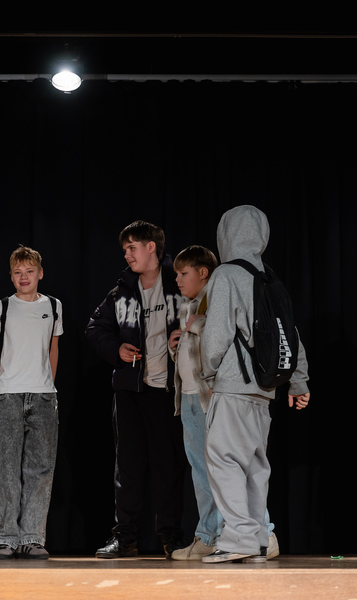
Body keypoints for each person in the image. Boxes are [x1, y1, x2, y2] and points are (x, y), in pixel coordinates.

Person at [199, 205, 310, 564]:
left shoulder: (227, 274)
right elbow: (290, 335)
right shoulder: (270, 278)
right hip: (264, 389)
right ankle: (258, 539)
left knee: (223, 460)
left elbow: (216, 335)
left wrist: (208, 374)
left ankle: (239, 539)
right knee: (255, 466)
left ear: (226, 234)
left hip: (234, 385)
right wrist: (298, 382)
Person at [168, 245, 280, 561]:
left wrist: (197, 326)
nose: (177, 279)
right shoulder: (188, 306)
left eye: (184, 273)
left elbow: (230, 336)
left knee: (235, 467)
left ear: (203, 272)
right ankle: (210, 535)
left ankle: (264, 533)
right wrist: (176, 346)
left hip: (217, 396)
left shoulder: (222, 292)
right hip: (190, 397)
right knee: (203, 472)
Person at [85, 220, 188, 558]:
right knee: (128, 468)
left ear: (151, 247)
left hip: (168, 391)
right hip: (130, 391)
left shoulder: (178, 283)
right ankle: (125, 537)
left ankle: (171, 537)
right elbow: (95, 328)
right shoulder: (122, 291)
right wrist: (116, 349)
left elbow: (205, 315)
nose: (127, 255)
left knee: (168, 467)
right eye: (125, 249)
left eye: (132, 248)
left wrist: (188, 335)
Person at [0, 245, 62, 559]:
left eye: (29, 271)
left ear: (40, 273)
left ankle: (32, 537)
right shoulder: (0, 307)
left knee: (40, 469)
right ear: (11, 276)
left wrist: (49, 387)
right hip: (8, 395)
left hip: (43, 396)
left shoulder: (53, 305)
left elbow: (53, 349)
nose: (24, 277)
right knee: (5, 468)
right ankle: (7, 538)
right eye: (18, 272)